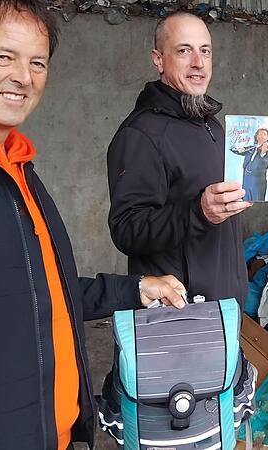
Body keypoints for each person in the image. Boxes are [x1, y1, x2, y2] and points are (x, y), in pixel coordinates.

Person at [0, 1, 186, 449]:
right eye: (3, 56)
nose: (23, 77)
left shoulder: (17, 168)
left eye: (37, 62)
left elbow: (35, 287)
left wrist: (134, 290)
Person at [107, 12, 250, 307]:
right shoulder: (141, 134)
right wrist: (198, 213)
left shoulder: (212, 125)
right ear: (158, 60)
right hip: (179, 314)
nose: (198, 62)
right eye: (184, 50)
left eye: (205, 51)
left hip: (224, 306)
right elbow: (126, 229)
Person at [231, 127, 268, 201]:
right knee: (245, 201)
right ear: (256, 136)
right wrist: (237, 148)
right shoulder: (251, 148)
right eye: (259, 134)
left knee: (257, 202)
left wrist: (262, 153)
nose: (261, 136)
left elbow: (263, 165)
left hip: (258, 181)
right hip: (246, 179)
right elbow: (233, 150)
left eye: (264, 134)